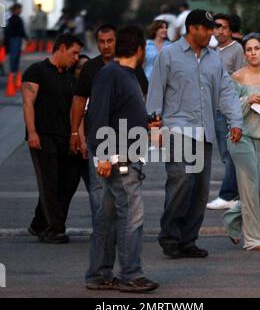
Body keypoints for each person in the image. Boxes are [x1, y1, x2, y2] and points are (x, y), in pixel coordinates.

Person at [146, 9, 243, 258]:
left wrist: (236, 122)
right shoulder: (168, 55)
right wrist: (153, 126)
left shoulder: (214, 59)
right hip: (177, 129)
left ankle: (188, 240)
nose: (211, 33)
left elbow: (226, 92)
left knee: (199, 189)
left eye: (213, 29)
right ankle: (170, 236)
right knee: (181, 182)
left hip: (205, 131)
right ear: (192, 29)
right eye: (207, 29)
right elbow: (156, 90)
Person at [85, 25, 159, 293]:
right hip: (118, 159)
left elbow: (120, 115)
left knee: (106, 218)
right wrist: (103, 156)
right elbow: (97, 116)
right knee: (131, 216)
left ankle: (98, 273)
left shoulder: (126, 75)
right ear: (139, 50)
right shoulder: (112, 74)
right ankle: (131, 274)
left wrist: (147, 124)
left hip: (123, 155)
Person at [69, 24, 148, 226]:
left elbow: (143, 99)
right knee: (99, 187)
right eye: (101, 42)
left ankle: (111, 230)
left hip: (127, 142)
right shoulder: (93, 69)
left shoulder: (133, 69)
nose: (105, 46)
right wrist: (76, 134)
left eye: (110, 41)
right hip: (100, 138)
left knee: (121, 191)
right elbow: (80, 101)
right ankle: (103, 228)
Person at [223, 33, 260, 251]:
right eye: (249, 49)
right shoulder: (237, 77)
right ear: (244, 54)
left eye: (257, 48)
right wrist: (246, 100)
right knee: (249, 189)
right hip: (242, 138)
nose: (253, 52)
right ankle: (255, 238)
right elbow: (227, 108)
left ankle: (232, 216)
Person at [22, 34, 83, 244]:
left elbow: (76, 110)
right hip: (43, 135)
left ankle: (38, 223)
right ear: (62, 48)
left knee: (64, 183)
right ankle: (54, 229)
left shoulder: (70, 78)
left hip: (64, 137)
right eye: (74, 53)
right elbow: (28, 103)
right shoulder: (36, 71)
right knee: (49, 182)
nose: (76, 58)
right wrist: (32, 133)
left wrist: (76, 136)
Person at [207, 13, 246, 210]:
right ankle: (237, 194)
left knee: (229, 154)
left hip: (228, 110)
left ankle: (228, 195)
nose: (219, 31)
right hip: (213, 109)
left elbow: (243, 79)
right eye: (216, 27)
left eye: (224, 27)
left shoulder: (237, 50)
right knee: (224, 154)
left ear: (231, 30)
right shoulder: (212, 51)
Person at [4, 3, 27, 75]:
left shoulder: (16, 18)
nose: (21, 10)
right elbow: (16, 29)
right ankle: (13, 70)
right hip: (14, 38)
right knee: (14, 55)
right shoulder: (13, 18)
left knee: (16, 55)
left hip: (16, 38)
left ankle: (14, 70)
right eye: (19, 9)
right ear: (16, 9)